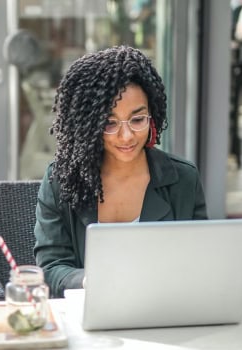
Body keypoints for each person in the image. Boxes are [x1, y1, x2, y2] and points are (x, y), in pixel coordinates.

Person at [33, 46, 208, 297]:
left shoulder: (183, 180)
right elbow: (51, 268)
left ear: (153, 117)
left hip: (165, 313)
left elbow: (200, 264)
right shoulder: (61, 180)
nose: (126, 136)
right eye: (109, 123)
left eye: (137, 120)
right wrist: (88, 280)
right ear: (88, 126)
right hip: (88, 317)